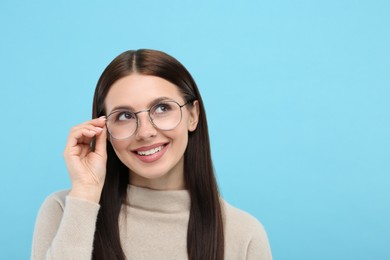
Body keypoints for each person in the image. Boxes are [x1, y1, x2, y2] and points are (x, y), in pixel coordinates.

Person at [31, 49, 272, 260]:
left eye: (162, 108)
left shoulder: (244, 235)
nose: (145, 132)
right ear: (104, 129)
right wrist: (85, 193)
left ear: (192, 115)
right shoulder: (65, 211)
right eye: (124, 115)